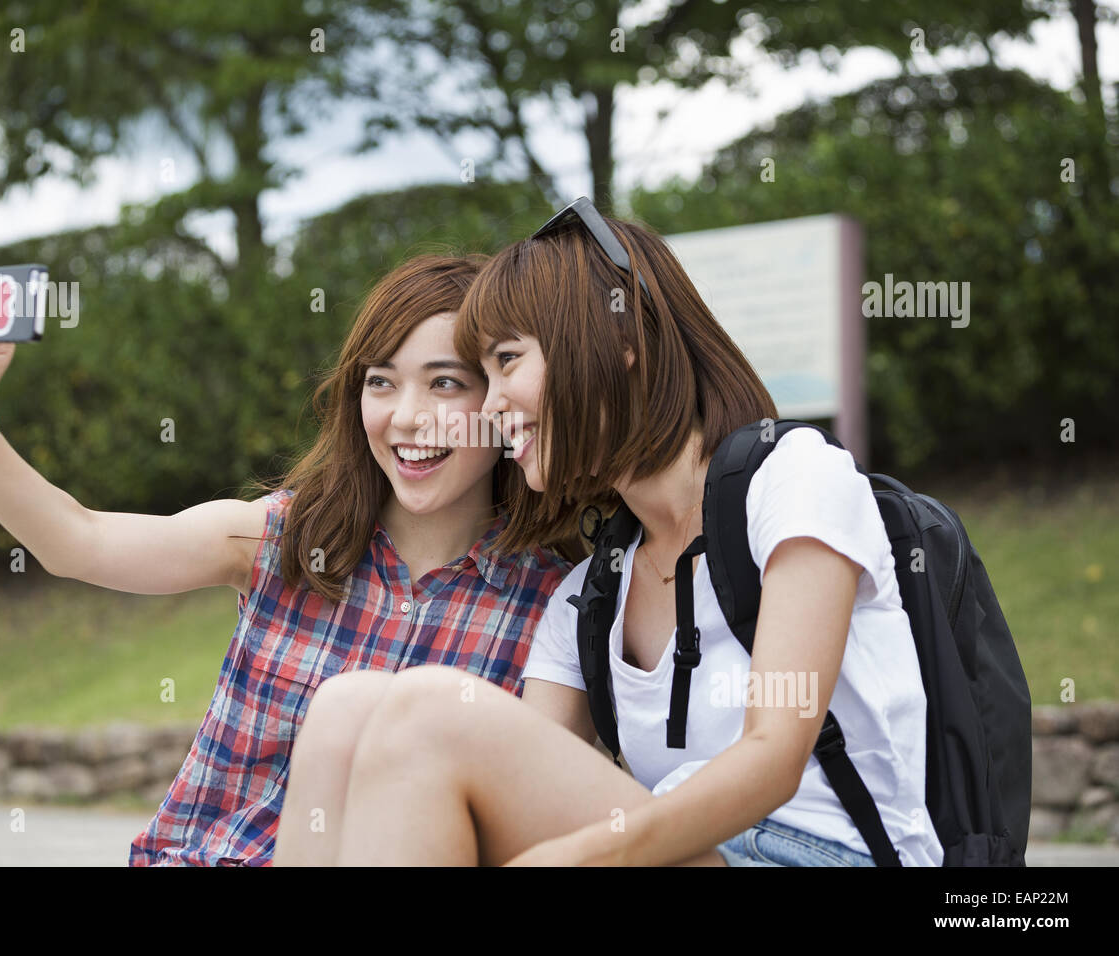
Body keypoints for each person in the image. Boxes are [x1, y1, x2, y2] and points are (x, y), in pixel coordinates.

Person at [274, 202, 944, 867]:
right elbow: (510, 781)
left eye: (508, 360)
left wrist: (582, 859)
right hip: (675, 853)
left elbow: (774, 760)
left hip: (825, 855)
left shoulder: (793, 479)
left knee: (428, 708)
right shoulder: (588, 602)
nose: (489, 402)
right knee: (347, 709)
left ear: (617, 341)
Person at [0, 251, 581, 866]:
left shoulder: (555, 611)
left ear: (500, 403)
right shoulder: (280, 539)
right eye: (381, 382)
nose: (407, 417)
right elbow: (77, 540)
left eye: (444, 384)